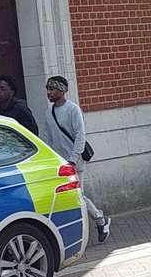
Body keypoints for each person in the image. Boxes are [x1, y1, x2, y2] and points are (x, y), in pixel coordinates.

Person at [39, 75, 112, 243]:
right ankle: (95, 221)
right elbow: (47, 137)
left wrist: (72, 159)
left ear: (62, 91)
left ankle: (100, 220)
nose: (49, 92)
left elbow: (80, 135)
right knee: (69, 196)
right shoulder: (48, 112)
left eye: (52, 89)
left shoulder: (73, 109)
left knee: (78, 195)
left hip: (74, 162)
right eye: (47, 89)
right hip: (59, 162)